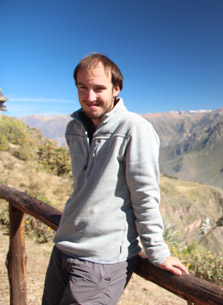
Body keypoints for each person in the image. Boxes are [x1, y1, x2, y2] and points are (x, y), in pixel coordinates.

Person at [42, 53, 188, 305]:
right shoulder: (74, 127)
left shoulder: (134, 129)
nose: (89, 97)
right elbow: (85, 188)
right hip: (64, 246)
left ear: (116, 89)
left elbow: (144, 195)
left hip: (101, 261)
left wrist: (157, 252)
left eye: (99, 88)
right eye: (82, 87)